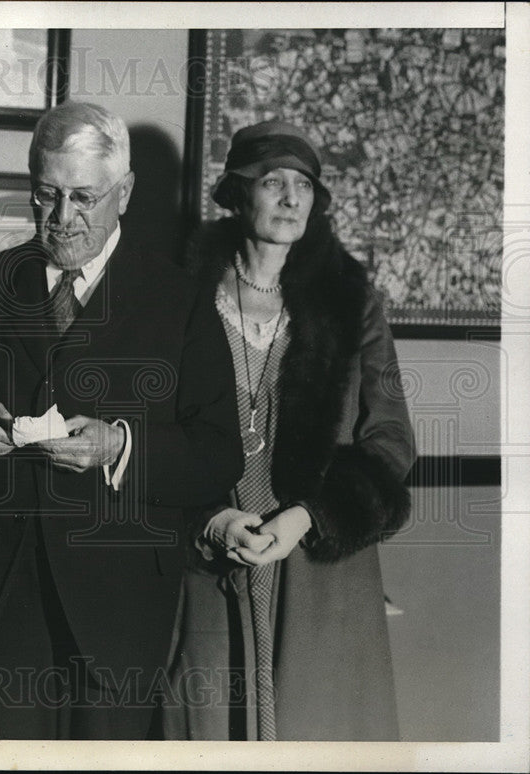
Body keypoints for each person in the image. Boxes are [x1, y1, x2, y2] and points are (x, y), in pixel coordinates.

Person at [0, 101, 243, 740]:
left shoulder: (178, 299)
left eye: (84, 198)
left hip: (118, 609)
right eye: (46, 195)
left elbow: (218, 452)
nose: (62, 218)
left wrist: (119, 446)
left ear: (124, 193)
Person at [163, 119, 416, 741]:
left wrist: (307, 517)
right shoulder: (181, 296)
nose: (289, 197)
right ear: (236, 193)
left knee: (318, 734)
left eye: (302, 184)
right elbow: (150, 434)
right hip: (210, 558)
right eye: (271, 181)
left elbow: (390, 444)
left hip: (320, 572)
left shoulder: (350, 301)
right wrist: (211, 519)